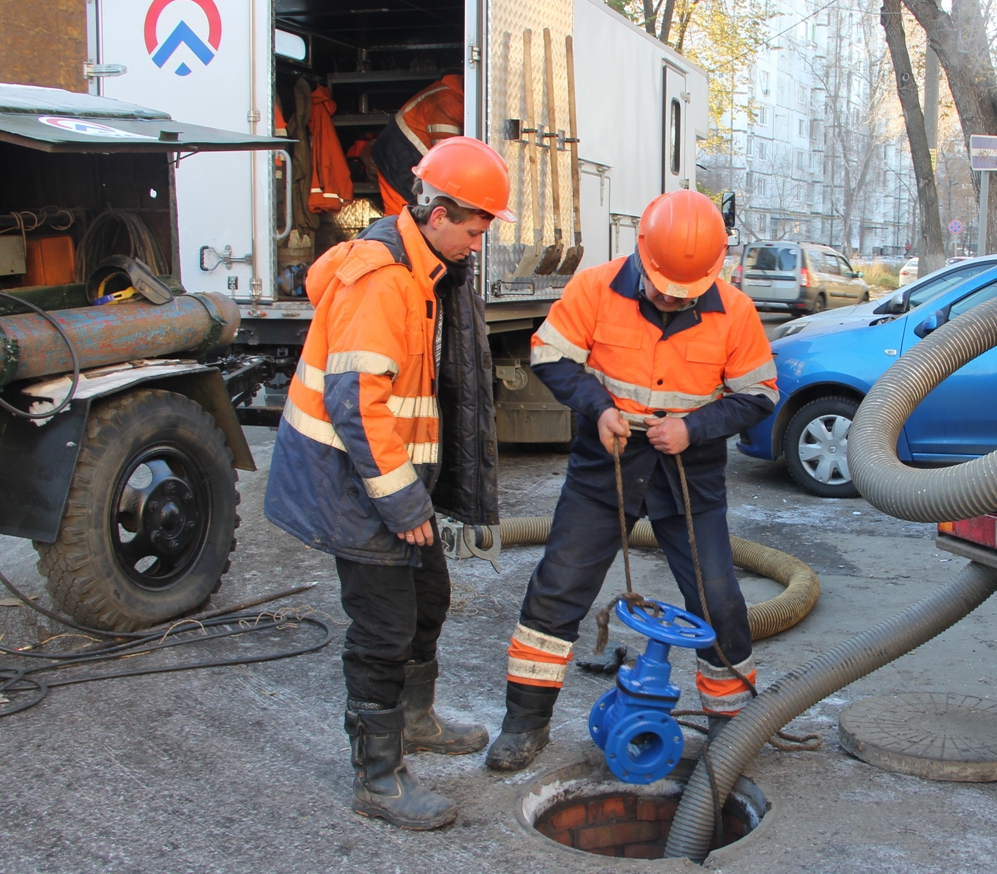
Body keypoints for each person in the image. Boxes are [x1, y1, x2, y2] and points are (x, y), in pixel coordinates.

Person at [264, 136, 514, 829]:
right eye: (472, 228)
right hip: (352, 484)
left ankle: (415, 718)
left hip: (385, 479)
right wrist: (403, 501)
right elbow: (357, 403)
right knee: (383, 629)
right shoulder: (382, 279)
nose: (477, 242)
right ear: (436, 212)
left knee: (429, 597)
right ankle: (376, 778)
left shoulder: (425, 270)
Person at [485, 190, 780, 771]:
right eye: (662, 285)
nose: (670, 298)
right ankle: (525, 725)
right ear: (641, 254)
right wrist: (597, 408)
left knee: (719, 602)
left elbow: (760, 396)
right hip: (607, 468)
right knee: (556, 590)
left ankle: (730, 734)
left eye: (683, 293)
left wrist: (694, 429)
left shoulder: (736, 312)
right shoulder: (595, 288)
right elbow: (551, 356)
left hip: (687, 477)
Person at [371, 74, 464, 217]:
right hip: (401, 162)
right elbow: (448, 162)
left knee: (399, 219)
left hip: (395, 159)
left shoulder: (444, 94)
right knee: (403, 220)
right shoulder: (447, 102)